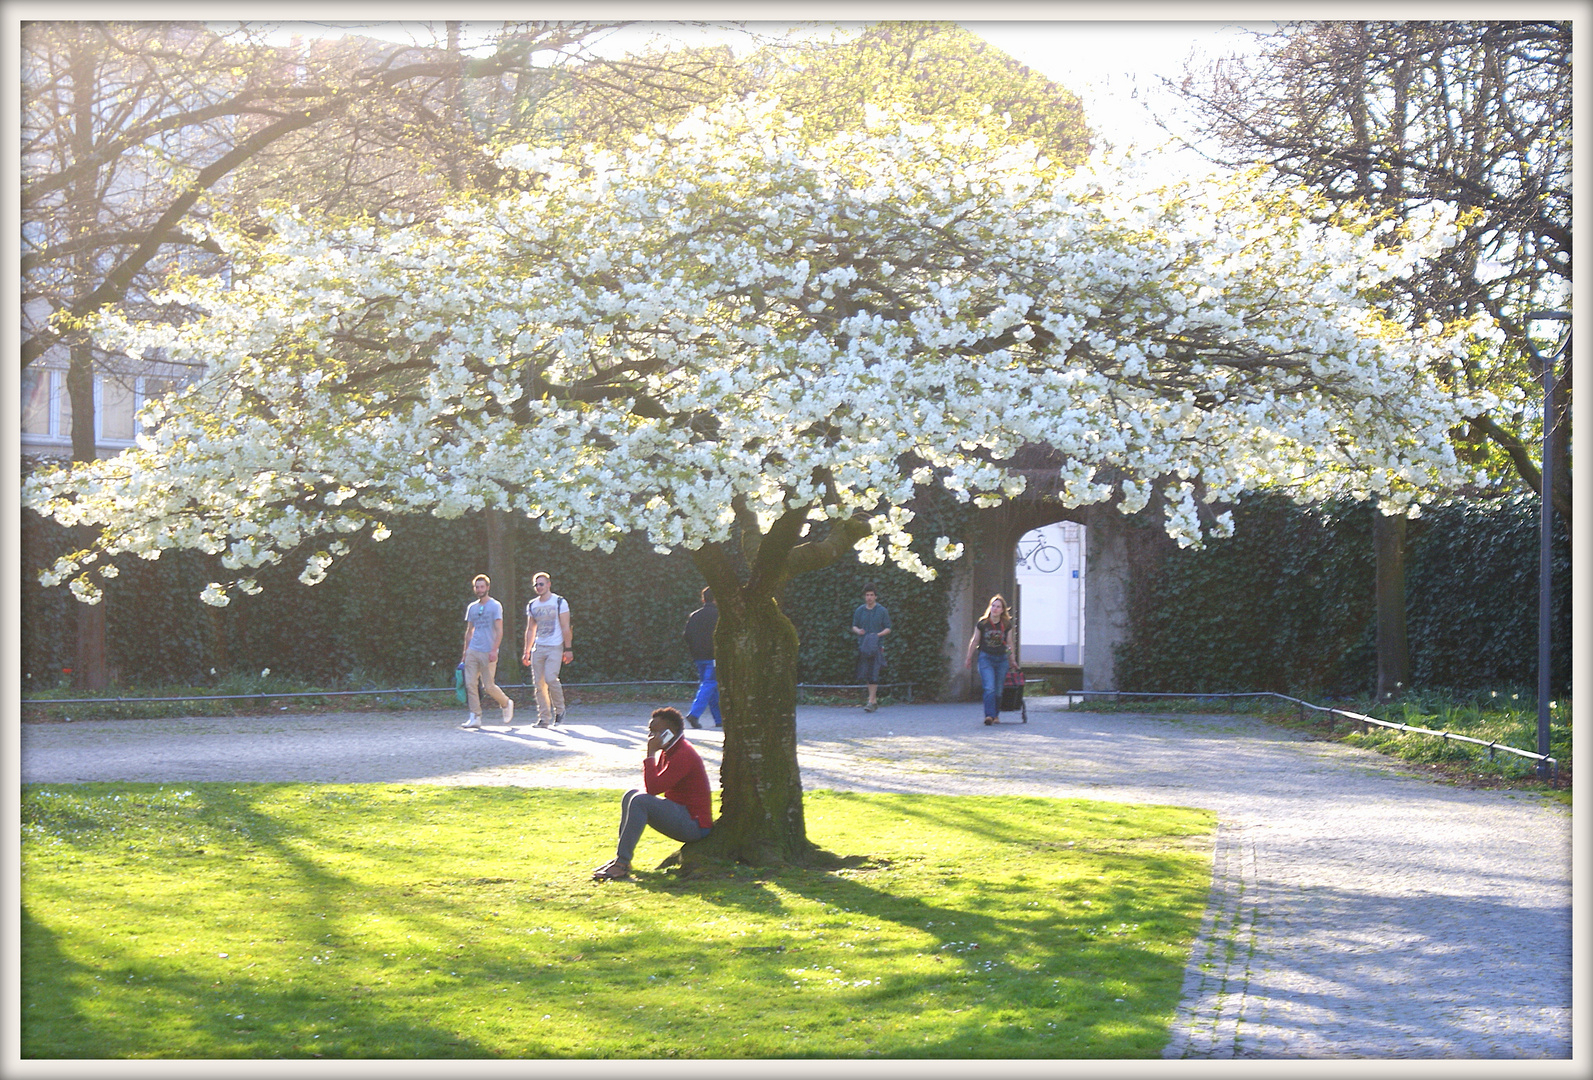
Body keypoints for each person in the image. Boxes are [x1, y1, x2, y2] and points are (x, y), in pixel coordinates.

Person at [592, 707, 714, 881]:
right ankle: (622, 861)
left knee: (640, 800)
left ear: (670, 733)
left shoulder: (683, 754)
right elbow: (654, 785)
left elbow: (653, 789)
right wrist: (654, 753)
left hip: (694, 825)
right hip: (681, 813)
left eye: (656, 732)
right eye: (650, 731)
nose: (651, 737)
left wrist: (650, 754)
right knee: (631, 795)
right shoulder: (670, 750)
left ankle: (622, 863)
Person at [459, 574, 514, 729]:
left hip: (488, 650)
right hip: (473, 651)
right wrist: (465, 651)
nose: (479, 589)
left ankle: (506, 702)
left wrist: (494, 649)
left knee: (488, 686)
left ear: (488, 588)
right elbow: (469, 631)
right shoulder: (472, 607)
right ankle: (475, 716)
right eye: (477, 587)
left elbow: (499, 629)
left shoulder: (495, 606)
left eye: (482, 586)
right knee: (470, 684)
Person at [521, 571, 573, 727]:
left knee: (551, 678)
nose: (538, 587)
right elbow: (530, 629)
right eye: (536, 584)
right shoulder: (533, 605)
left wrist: (568, 648)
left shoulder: (559, 602)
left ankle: (560, 710)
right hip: (539, 646)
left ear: (549, 584)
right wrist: (527, 651)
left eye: (541, 584)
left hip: (555, 646)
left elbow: (565, 627)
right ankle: (544, 718)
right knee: (539, 684)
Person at [965, 594, 1014, 726]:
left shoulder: (1006, 625)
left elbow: (1009, 643)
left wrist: (1012, 659)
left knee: (998, 690)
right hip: (986, 658)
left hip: (1001, 659)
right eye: (993, 606)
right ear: (990, 607)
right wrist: (969, 657)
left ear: (1002, 610)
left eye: (998, 607)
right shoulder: (983, 623)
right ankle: (989, 715)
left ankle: (995, 715)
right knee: (989, 688)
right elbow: (975, 640)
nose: (995, 608)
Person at [682, 586, 722, 729]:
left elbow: (687, 636)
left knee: (710, 686)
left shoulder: (695, 615)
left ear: (703, 599)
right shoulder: (720, 615)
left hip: (698, 656)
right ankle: (694, 714)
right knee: (710, 683)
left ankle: (719, 719)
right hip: (714, 655)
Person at [850, 584, 892, 712]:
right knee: (867, 673)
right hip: (863, 645)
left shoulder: (882, 611)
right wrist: (858, 631)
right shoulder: (860, 610)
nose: (869, 597)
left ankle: (870, 701)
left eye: (871, 595)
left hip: (877, 646)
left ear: (875, 596)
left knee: (874, 673)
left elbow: (888, 628)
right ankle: (873, 701)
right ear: (864, 597)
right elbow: (854, 626)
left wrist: (878, 635)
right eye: (867, 595)